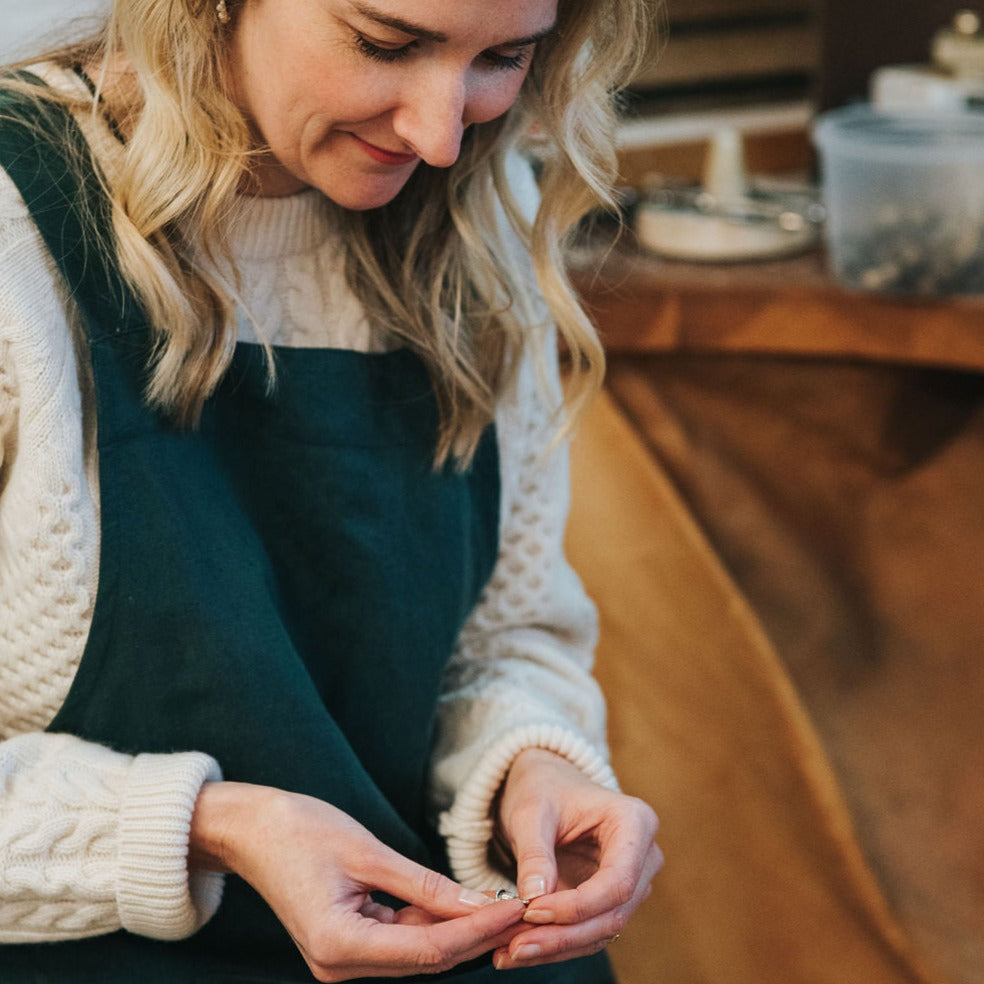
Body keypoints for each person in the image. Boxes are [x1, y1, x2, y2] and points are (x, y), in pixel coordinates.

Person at [0, 0, 661, 981]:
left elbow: (506, 636)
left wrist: (537, 765)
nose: (440, 135)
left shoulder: (484, 209)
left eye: (504, 58)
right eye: (386, 44)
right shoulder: (18, 228)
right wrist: (217, 829)